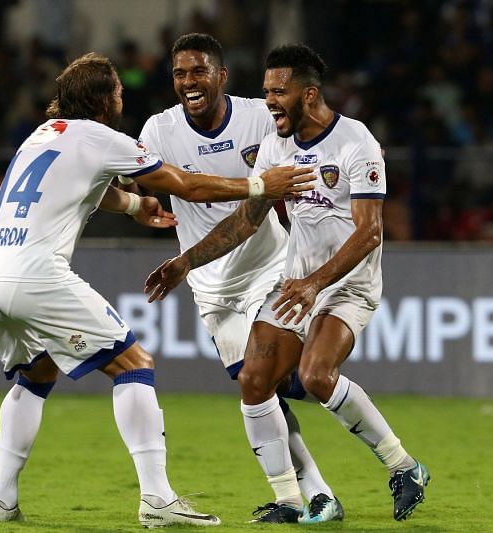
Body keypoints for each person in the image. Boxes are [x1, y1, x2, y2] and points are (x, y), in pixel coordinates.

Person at [0, 52, 313, 529]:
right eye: (117, 90)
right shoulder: (103, 137)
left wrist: (133, 205)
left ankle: (0, 501)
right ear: (103, 100)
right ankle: (157, 498)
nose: (121, 96)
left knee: (38, 372)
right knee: (134, 364)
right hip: (35, 275)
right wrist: (259, 185)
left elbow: (87, 187)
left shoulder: (42, 136)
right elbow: (187, 186)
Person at [145, 44, 430, 523]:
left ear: (309, 93)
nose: (270, 101)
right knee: (255, 381)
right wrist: (184, 263)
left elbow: (369, 233)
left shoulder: (356, 143)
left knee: (317, 377)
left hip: (347, 284)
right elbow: (245, 221)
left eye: (279, 92)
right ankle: (290, 501)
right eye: (266, 92)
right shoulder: (277, 148)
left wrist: (316, 283)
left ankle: (404, 466)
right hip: (298, 283)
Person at [137, 33, 343, 524]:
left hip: (269, 267)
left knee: (273, 381)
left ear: (221, 76)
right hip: (211, 287)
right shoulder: (158, 131)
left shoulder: (257, 116)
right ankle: (315, 494)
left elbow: (310, 156)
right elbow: (148, 182)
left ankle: (310, 492)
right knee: (261, 387)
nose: (189, 82)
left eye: (199, 71)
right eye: (181, 74)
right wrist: (136, 205)